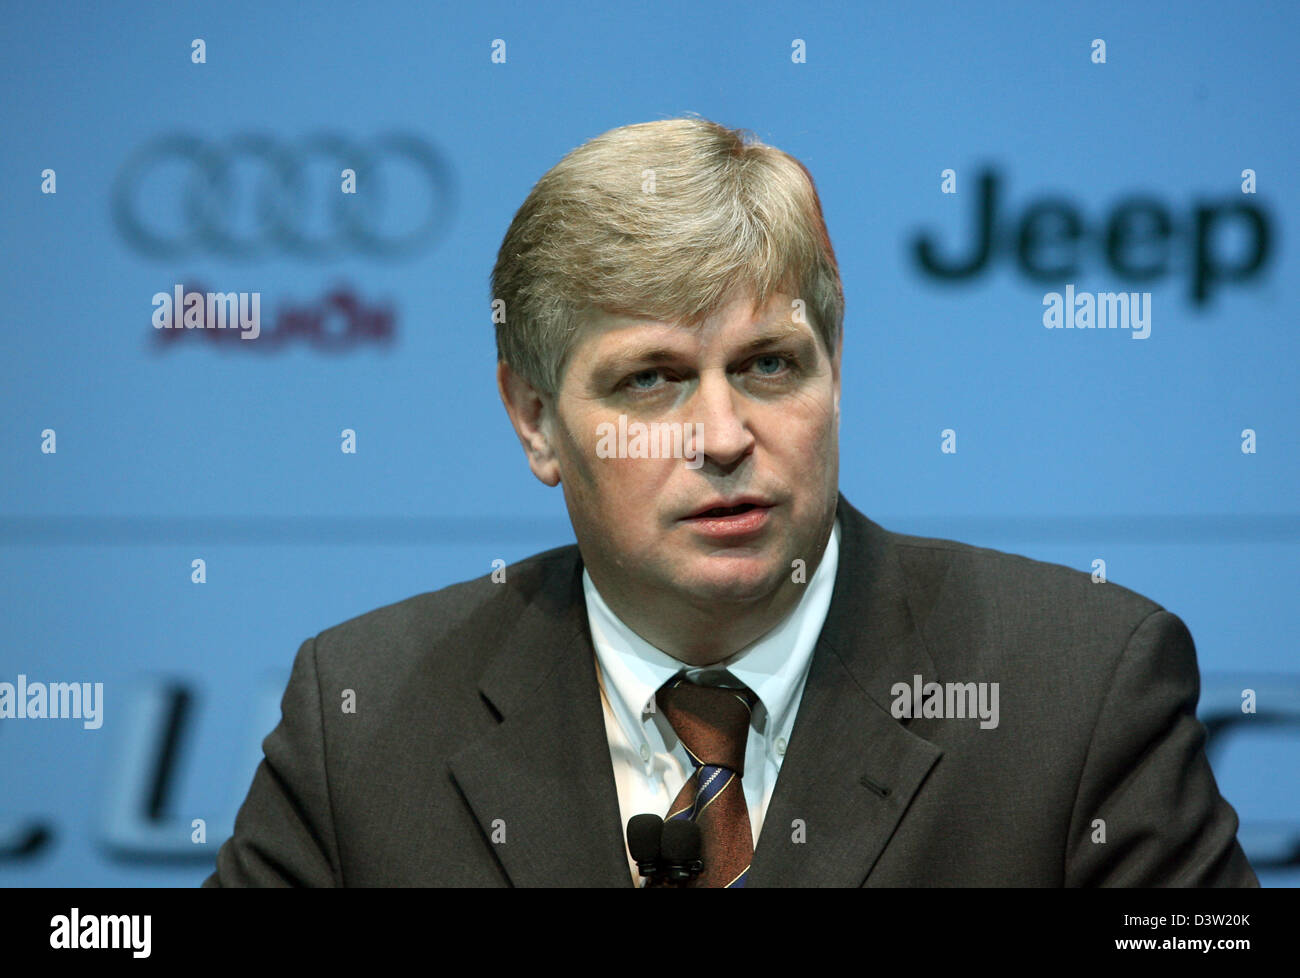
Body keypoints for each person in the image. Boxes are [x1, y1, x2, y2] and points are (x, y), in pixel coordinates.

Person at [203, 117, 1257, 887]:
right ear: (534, 421)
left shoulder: (1077, 691)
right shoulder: (366, 714)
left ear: (834, 369)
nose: (722, 438)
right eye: (649, 379)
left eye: (767, 366)